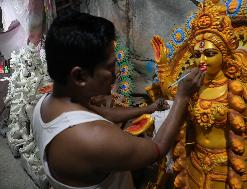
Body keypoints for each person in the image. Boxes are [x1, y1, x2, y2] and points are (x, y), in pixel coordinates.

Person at [32, 11, 204, 189]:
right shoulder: (92, 138)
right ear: (79, 76)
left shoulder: (46, 104)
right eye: (110, 66)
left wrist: (148, 109)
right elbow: (157, 148)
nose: (115, 74)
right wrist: (182, 97)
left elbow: (105, 114)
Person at [147, 0, 247, 189]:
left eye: (209, 53)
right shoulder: (193, 86)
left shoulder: (238, 88)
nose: (202, 59)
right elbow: (171, 91)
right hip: (197, 168)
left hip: (232, 171)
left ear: (225, 54)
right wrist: (162, 64)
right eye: (197, 55)